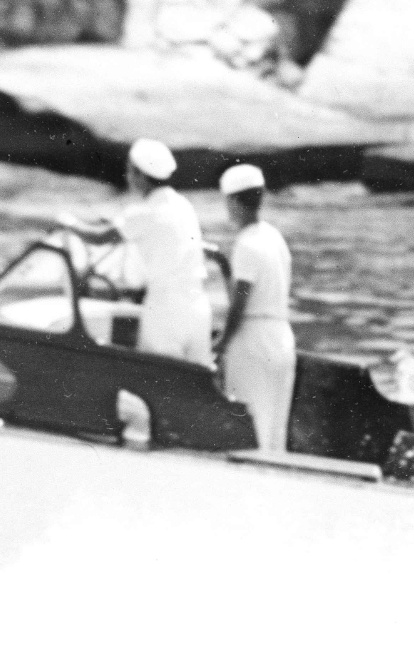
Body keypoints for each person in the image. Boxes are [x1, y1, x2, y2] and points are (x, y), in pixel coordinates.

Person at [69, 138, 212, 365]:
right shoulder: (184, 206)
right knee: (197, 379)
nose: (127, 177)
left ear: (140, 176)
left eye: (130, 171)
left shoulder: (143, 212)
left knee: (160, 377)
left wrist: (69, 223)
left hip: (166, 308)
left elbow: (99, 238)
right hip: (199, 307)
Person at [214, 164, 296, 453]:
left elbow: (240, 303)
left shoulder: (246, 244)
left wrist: (222, 343)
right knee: (275, 429)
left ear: (233, 201)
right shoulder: (274, 237)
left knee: (250, 423)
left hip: (254, 339)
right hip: (281, 336)